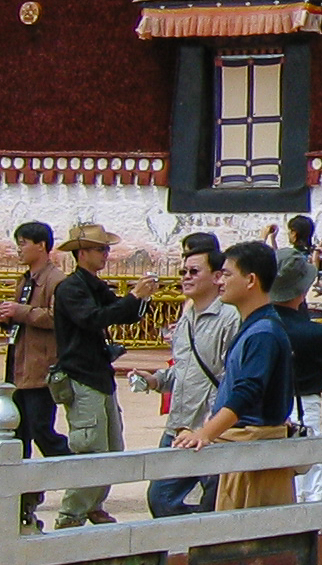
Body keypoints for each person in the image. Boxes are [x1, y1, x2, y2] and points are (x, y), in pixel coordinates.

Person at [47, 223, 159, 529]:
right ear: (82, 253)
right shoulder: (70, 288)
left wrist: (140, 298)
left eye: (106, 249)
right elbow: (93, 319)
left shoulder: (94, 285)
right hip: (81, 376)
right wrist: (132, 297)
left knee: (112, 448)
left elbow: (123, 314)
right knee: (90, 447)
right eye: (100, 249)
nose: (105, 255)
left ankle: (94, 504)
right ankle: (71, 513)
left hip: (100, 375)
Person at [175, 240, 299, 510]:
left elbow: (247, 393)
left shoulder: (263, 333)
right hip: (242, 447)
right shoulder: (254, 326)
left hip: (254, 452)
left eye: (227, 274)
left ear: (251, 280)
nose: (220, 281)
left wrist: (205, 433)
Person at [141, 233, 238, 516]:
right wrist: (156, 380)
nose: (186, 277)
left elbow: (229, 378)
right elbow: (182, 369)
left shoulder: (230, 319)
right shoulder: (187, 317)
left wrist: (212, 425)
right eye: (183, 272)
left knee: (214, 505)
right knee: (161, 499)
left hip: (208, 427)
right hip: (178, 424)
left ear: (217, 276)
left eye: (194, 272)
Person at [0, 220, 69, 531]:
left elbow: (57, 318)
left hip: (40, 369)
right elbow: (19, 321)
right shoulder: (24, 281)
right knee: (17, 433)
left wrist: (21, 313)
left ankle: (79, 470)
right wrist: (4, 317)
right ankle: (23, 493)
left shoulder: (56, 280)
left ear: (41, 245)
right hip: (18, 368)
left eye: (24, 243)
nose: (20, 249)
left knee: (42, 430)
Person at [269, 248, 322, 503]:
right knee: (311, 479)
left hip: (261, 410)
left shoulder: (256, 324)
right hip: (303, 406)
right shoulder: (313, 334)